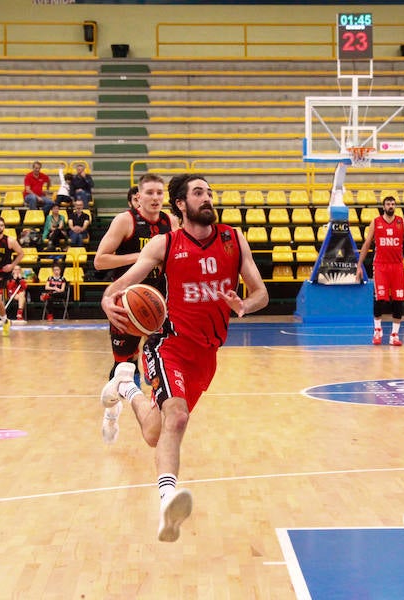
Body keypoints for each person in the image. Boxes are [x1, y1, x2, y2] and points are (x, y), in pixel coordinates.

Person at [100, 173, 268, 542]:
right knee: (177, 416)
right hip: (169, 344)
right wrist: (107, 298)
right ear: (181, 203)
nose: (207, 198)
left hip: (206, 355)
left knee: (155, 432)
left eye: (209, 192)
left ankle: (125, 387)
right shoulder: (165, 243)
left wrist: (244, 306)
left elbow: (261, 293)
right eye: (198, 193)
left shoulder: (233, 239)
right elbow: (125, 282)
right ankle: (168, 503)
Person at [93, 175, 180, 389]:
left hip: (159, 301)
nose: (155, 197)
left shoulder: (171, 222)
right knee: (124, 365)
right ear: (138, 197)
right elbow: (100, 261)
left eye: (159, 193)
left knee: (161, 363)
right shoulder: (125, 220)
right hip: (127, 301)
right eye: (149, 193)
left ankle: (155, 404)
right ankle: (116, 404)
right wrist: (143, 257)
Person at [356, 195, 404, 346]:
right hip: (380, 266)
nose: (390, 206)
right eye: (388, 204)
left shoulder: (402, 222)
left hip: (397, 266)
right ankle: (377, 331)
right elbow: (367, 244)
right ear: (383, 207)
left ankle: (394, 335)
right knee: (379, 299)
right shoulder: (376, 222)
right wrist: (359, 265)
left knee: (398, 301)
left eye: (393, 204)